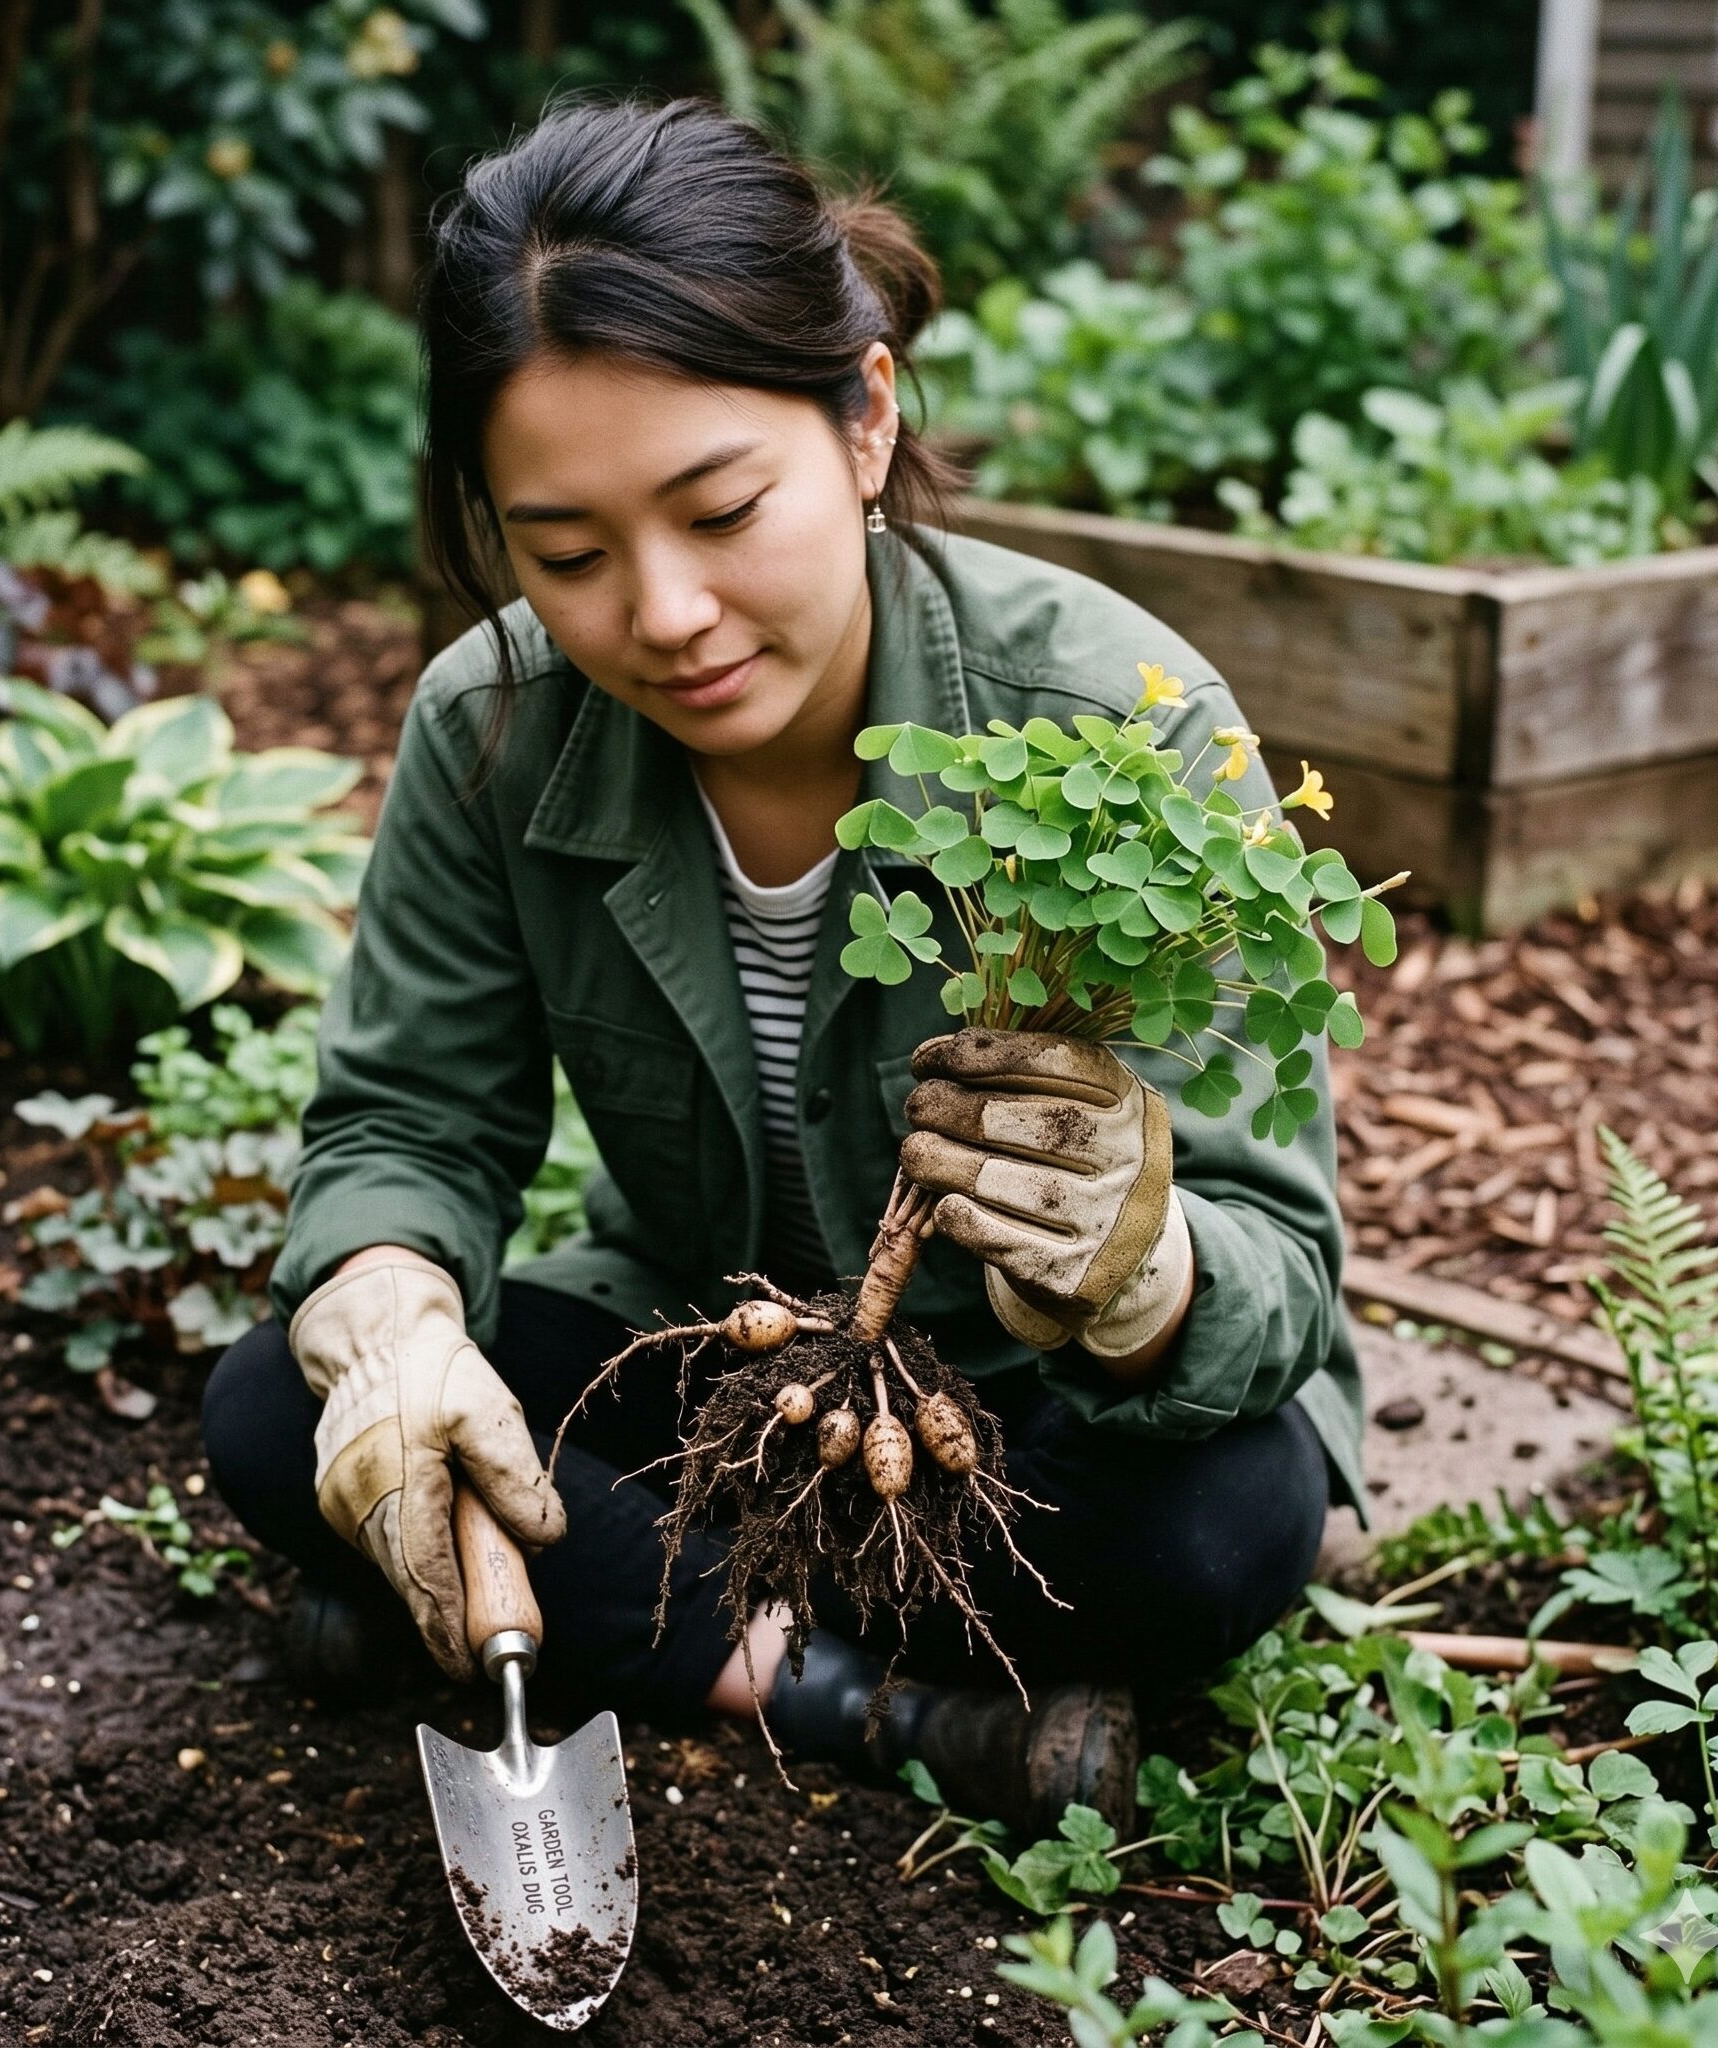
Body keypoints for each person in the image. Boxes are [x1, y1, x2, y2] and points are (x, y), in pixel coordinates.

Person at [201, 96, 1363, 1837]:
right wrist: (392, 1321)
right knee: (270, 1404)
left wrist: (1145, 1278)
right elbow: (409, 1127)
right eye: (569, 553)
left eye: (721, 509)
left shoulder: (1118, 725)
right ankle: (864, 1700)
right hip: (727, 1370)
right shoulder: (492, 731)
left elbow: (1282, 1266)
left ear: (867, 419)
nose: (659, 612)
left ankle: (570, 1608)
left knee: (1225, 1525)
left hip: (1013, 1428)